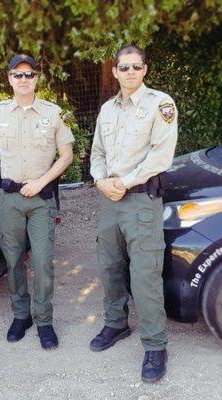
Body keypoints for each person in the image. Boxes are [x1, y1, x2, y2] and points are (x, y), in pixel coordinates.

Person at [0, 54, 74, 349]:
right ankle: (20, 315)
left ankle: (44, 320)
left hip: (41, 199)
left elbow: (67, 155)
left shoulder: (53, 113)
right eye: (18, 75)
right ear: (9, 79)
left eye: (29, 75)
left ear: (37, 78)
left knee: (41, 261)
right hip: (10, 199)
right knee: (12, 260)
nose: (24, 80)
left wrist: (41, 181)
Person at [90, 45, 178, 383]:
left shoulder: (161, 104)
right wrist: (100, 181)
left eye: (135, 67)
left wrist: (122, 182)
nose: (129, 72)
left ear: (145, 69)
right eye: (123, 67)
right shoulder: (107, 110)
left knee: (144, 276)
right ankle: (115, 324)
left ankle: (156, 345)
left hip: (140, 201)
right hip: (109, 200)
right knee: (110, 267)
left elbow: (159, 156)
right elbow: (97, 152)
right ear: (114, 71)